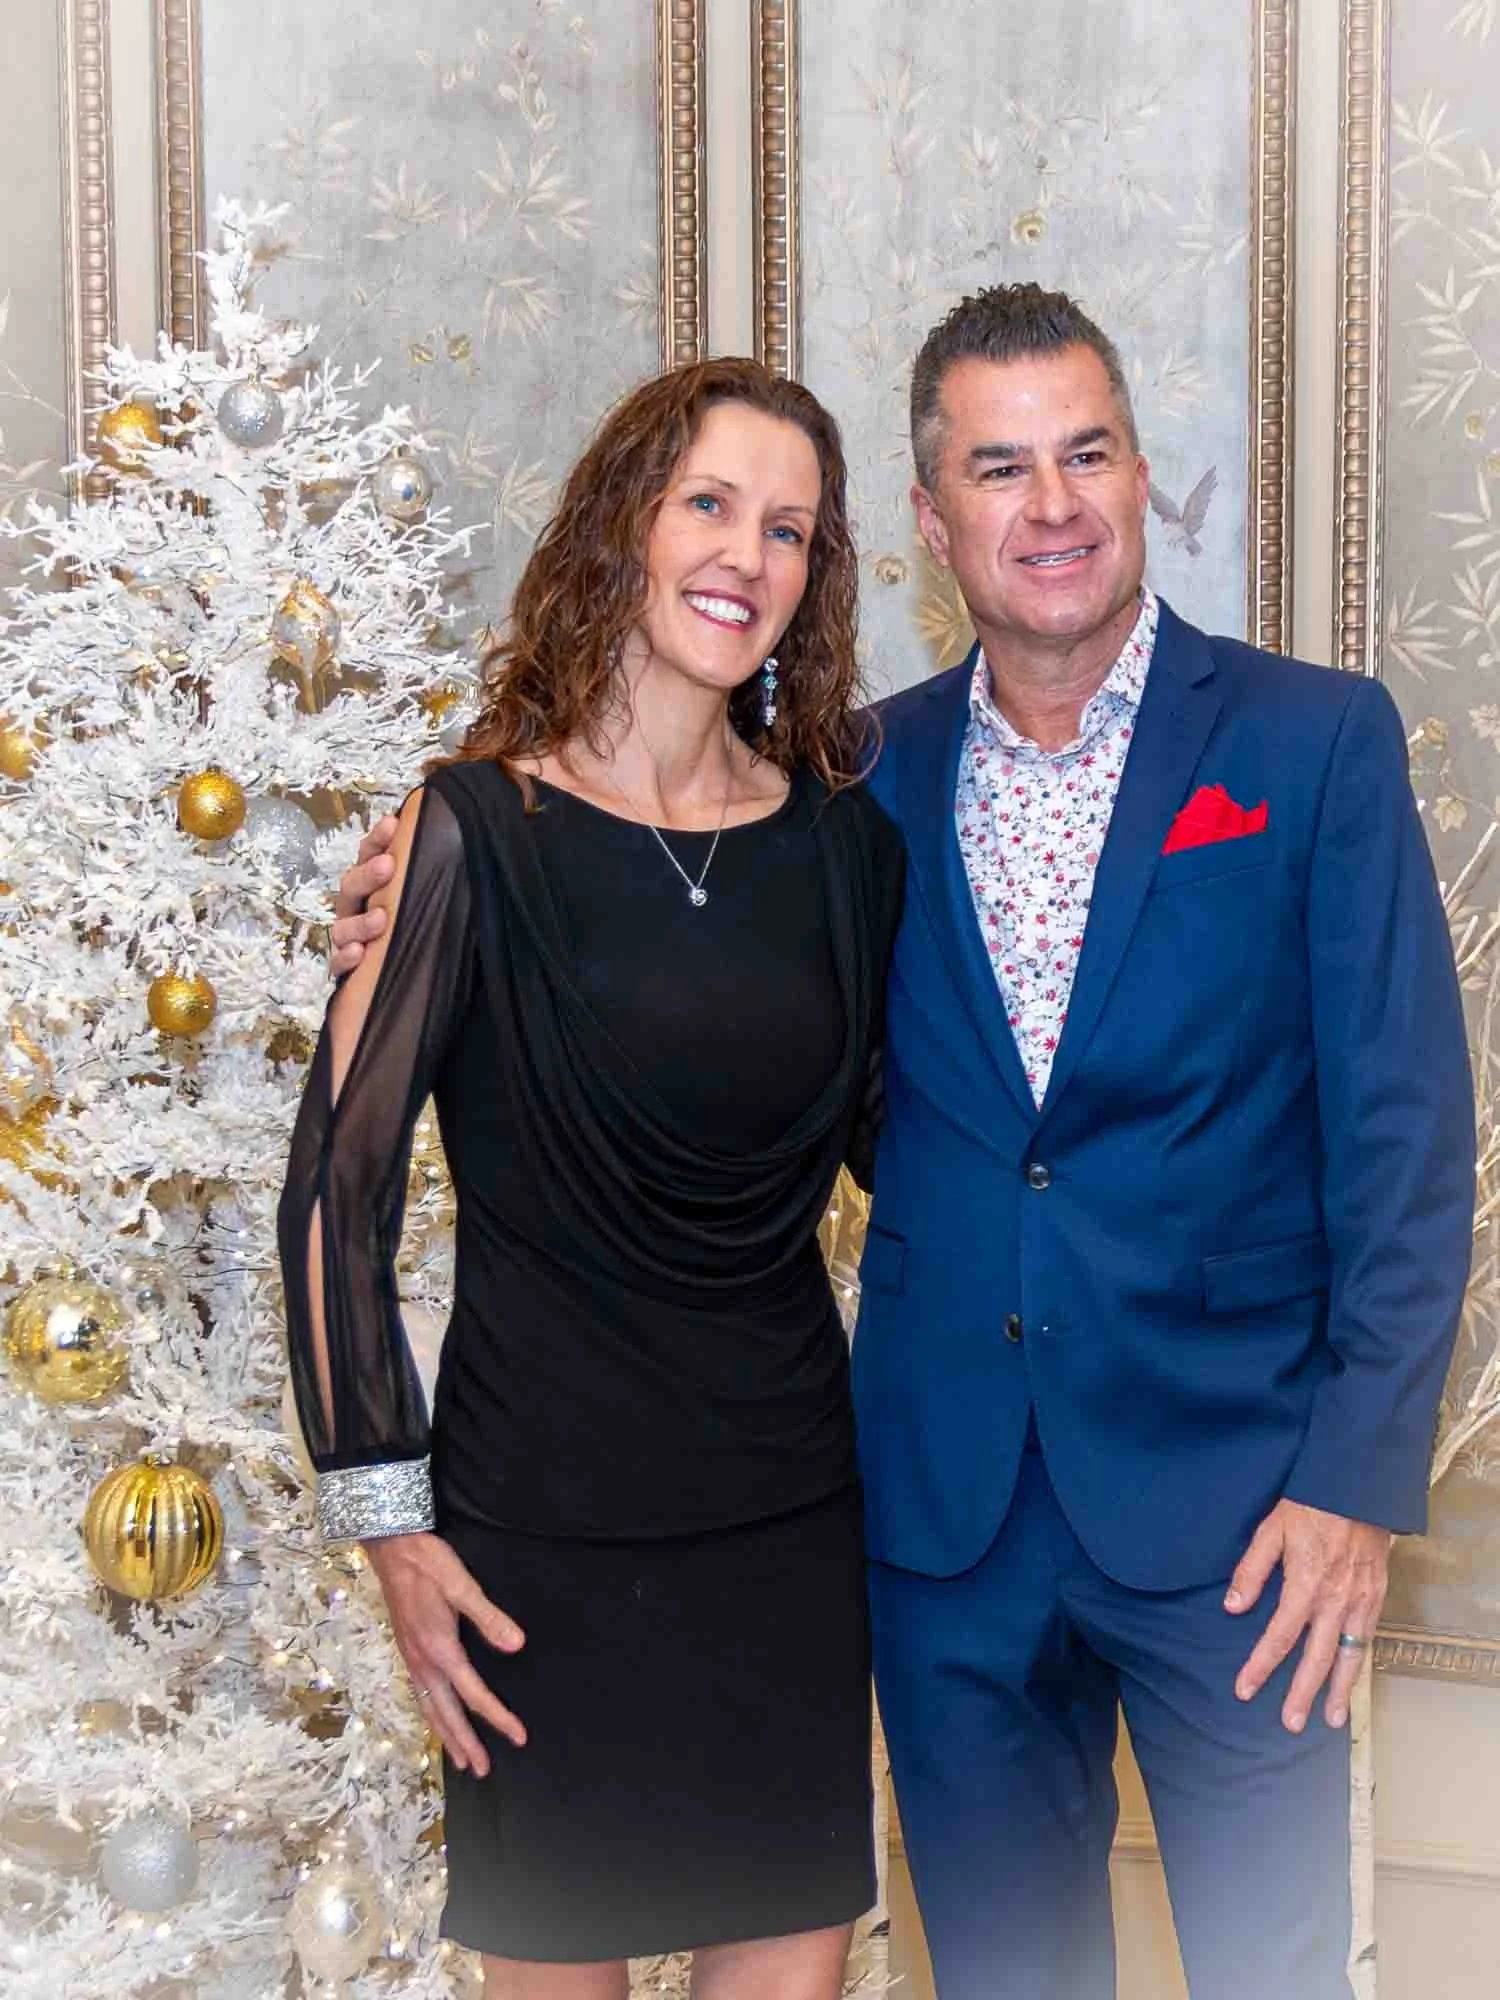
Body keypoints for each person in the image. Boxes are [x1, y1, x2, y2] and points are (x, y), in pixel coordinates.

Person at [333, 286, 1475, 2000]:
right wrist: (422, 875)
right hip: (940, 1533)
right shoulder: (856, 789)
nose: (1053, 503)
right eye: (999, 468)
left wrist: (1352, 1486)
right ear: (937, 528)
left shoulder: (1310, 745)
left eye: (1085, 453)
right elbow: (693, 968)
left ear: (1143, 476)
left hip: (1246, 1523)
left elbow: (1407, 1137)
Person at [281, 356, 905, 2000]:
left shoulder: (848, 847)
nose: (745, 553)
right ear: (626, 521)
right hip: (528, 1547)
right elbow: (335, 1206)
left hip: (786, 1530)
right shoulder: (466, 833)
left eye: (789, 528)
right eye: (710, 501)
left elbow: (924, 1162)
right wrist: (391, 1537)